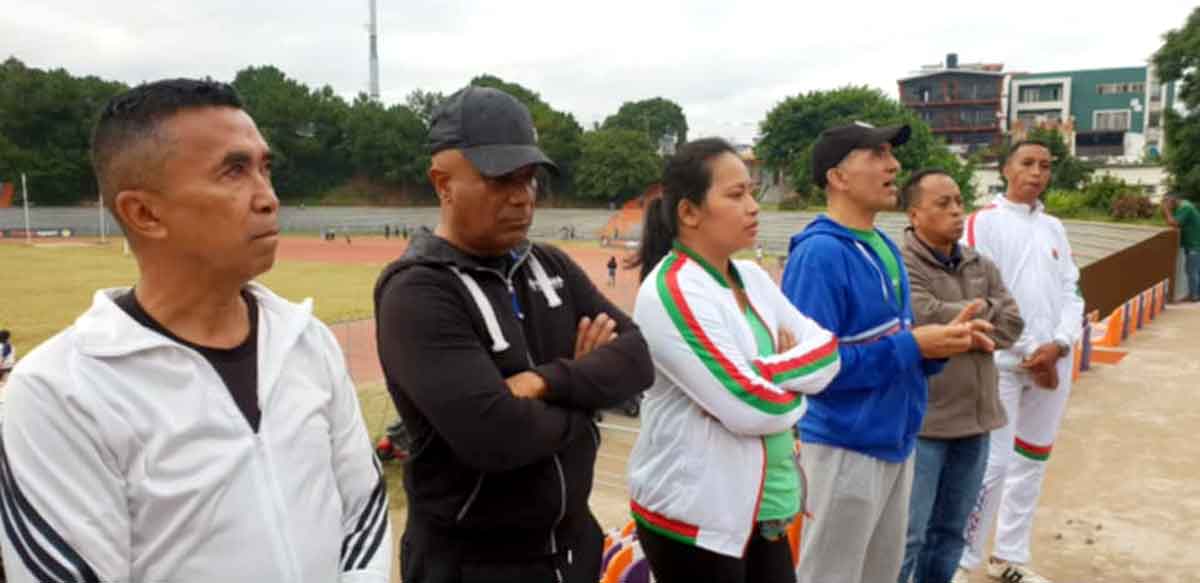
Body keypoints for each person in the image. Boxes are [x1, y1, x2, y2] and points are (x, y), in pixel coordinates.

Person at [0, 79, 390, 582]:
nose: (268, 197)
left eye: (264, 168)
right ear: (144, 213)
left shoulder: (307, 341)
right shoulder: (59, 393)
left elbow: (365, 511)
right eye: (234, 171)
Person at [374, 85, 654, 583]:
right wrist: (587, 397)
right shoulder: (417, 291)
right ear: (442, 183)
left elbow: (636, 360)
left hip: (574, 547)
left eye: (529, 178)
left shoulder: (550, 265)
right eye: (500, 178)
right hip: (476, 564)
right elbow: (498, 437)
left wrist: (546, 383)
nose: (522, 196)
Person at [780, 122, 989, 583]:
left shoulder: (884, 248)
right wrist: (913, 345)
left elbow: (900, 344)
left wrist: (938, 346)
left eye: (891, 154)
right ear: (838, 176)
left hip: (896, 440)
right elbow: (809, 370)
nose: (893, 164)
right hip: (843, 447)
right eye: (876, 154)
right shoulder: (818, 255)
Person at [626, 138, 841, 583]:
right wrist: (788, 387)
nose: (753, 206)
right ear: (689, 212)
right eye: (735, 194)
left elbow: (827, 351)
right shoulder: (673, 290)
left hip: (765, 510)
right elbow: (753, 407)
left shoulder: (753, 278)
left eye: (752, 191)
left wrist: (758, 377)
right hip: (696, 520)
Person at [959, 140, 1086, 583]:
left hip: (1053, 361)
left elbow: (1073, 290)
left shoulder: (1054, 227)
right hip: (1001, 363)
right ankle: (963, 561)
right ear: (1005, 168)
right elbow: (978, 290)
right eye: (1027, 163)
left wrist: (1060, 344)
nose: (1037, 172)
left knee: (1032, 459)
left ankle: (1009, 555)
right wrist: (1031, 349)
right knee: (991, 465)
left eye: (1045, 166)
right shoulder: (982, 224)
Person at [897, 170, 1025, 583]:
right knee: (910, 537)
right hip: (926, 424)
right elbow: (921, 315)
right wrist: (981, 311)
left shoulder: (979, 262)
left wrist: (962, 321)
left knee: (951, 535)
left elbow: (1012, 325)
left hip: (976, 421)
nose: (956, 211)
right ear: (915, 213)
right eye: (943, 204)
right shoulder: (901, 264)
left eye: (958, 201)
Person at [1162, 193, 1200, 301]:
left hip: (1195, 245)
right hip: (1193, 244)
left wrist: (1166, 210)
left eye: (1166, 201)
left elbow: (1173, 223)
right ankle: (1195, 294)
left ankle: (1194, 296)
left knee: (1192, 270)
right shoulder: (1182, 207)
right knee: (1194, 270)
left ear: (1174, 199)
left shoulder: (1185, 208)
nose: (1165, 203)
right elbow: (1170, 223)